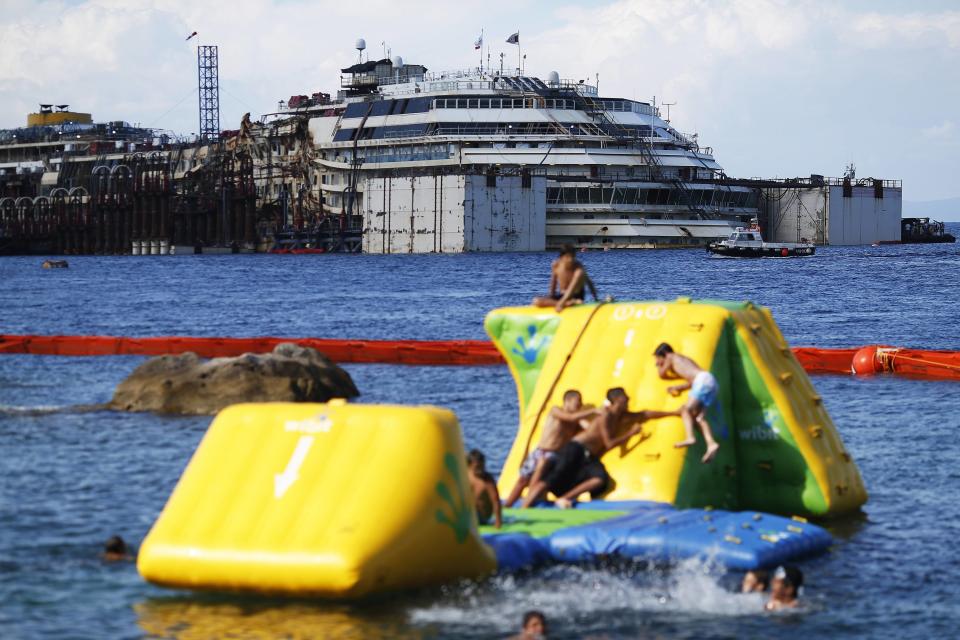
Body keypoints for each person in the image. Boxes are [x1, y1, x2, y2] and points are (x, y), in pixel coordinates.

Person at [521, 387, 678, 509]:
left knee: (599, 479)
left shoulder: (622, 416)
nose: (629, 399)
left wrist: (674, 412)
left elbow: (645, 414)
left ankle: (565, 498)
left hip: (589, 456)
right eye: (625, 397)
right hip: (575, 448)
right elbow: (608, 443)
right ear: (617, 400)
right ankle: (525, 507)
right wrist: (631, 434)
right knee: (550, 479)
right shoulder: (606, 415)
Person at [504, 389, 599, 507]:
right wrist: (592, 411)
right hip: (540, 450)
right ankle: (507, 505)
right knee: (522, 480)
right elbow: (569, 418)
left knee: (537, 476)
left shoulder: (577, 419)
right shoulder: (556, 410)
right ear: (567, 401)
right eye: (578, 401)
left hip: (554, 454)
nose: (580, 404)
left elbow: (589, 429)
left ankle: (526, 505)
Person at [654, 342, 721, 463]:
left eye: (658, 359)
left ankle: (690, 437)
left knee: (685, 410)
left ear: (663, 354)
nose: (657, 362)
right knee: (698, 418)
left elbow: (661, 374)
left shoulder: (670, 356)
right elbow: (690, 382)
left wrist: (659, 365)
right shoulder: (683, 361)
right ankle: (711, 443)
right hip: (709, 381)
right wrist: (678, 387)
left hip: (703, 381)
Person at [532, 244, 598, 313]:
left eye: (573, 257)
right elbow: (553, 284)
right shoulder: (556, 265)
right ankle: (568, 304)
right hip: (563, 296)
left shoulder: (578, 268)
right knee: (536, 301)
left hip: (575, 296)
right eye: (568, 257)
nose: (571, 260)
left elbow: (588, 283)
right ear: (561, 257)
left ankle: (569, 303)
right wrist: (551, 297)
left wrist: (596, 298)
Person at [467, 449, 502, 529]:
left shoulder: (487, 481)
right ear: (469, 466)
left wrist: (498, 521)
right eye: (477, 467)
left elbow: (496, 501)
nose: (480, 470)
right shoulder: (466, 475)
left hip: (481, 517)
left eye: (482, 467)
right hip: (469, 513)